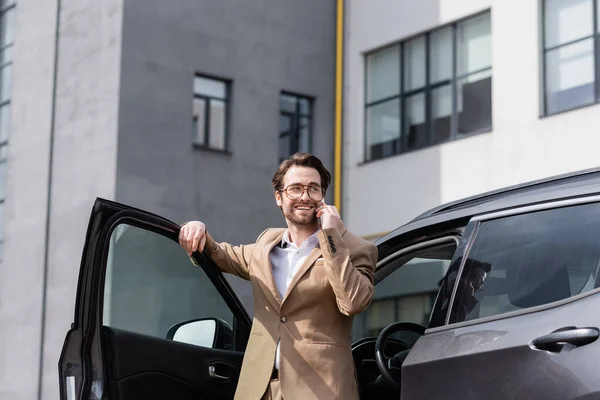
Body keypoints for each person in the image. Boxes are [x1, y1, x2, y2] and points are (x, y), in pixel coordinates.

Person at [179, 152, 378, 400]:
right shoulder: (267, 244)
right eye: (295, 189)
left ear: (323, 198)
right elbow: (220, 254)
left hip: (320, 391)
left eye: (313, 189)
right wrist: (197, 228)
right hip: (260, 390)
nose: (305, 197)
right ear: (279, 197)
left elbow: (353, 302)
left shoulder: (356, 248)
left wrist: (331, 236)